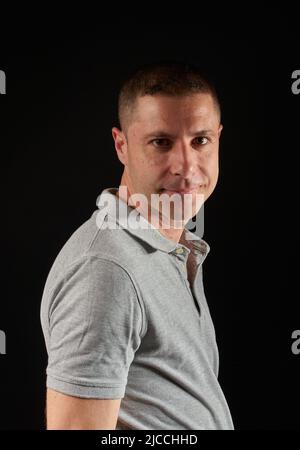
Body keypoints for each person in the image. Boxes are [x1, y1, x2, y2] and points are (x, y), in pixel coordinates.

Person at [40, 62, 234, 430]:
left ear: (219, 139)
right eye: (161, 142)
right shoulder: (107, 270)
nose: (186, 166)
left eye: (200, 141)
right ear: (122, 145)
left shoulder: (173, 249)